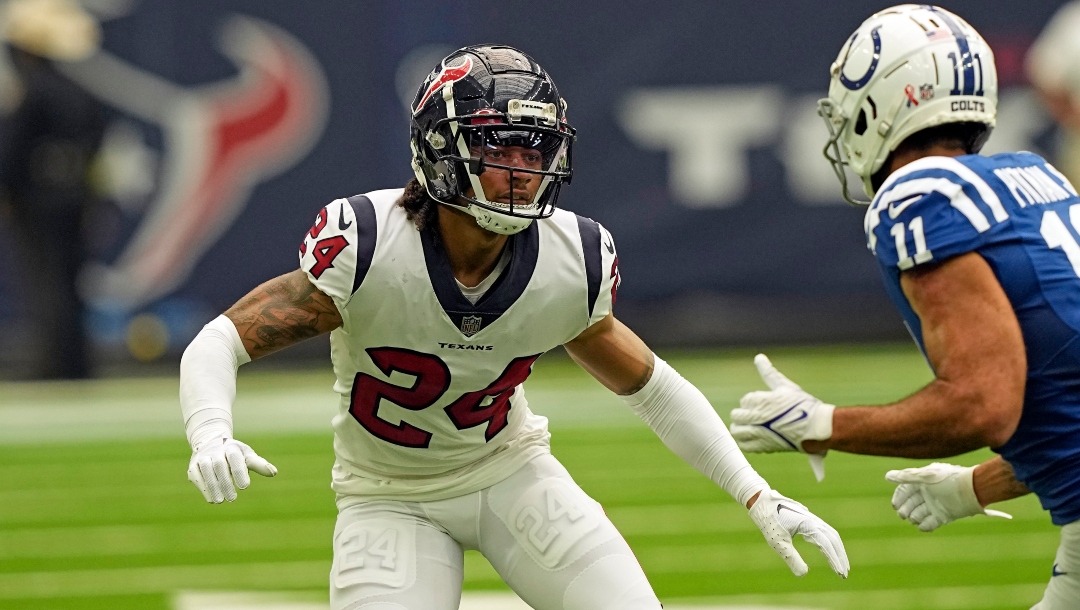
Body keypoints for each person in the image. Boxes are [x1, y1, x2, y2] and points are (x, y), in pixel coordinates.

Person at [178, 45, 849, 609]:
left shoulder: (569, 260)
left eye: (536, 152)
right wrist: (210, 431)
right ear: (441, 149)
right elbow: (221, 339)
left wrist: (756, 493)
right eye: (501, 148)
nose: (523, 172)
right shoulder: (369, 245)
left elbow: (653, 388)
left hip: (511, 473)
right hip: (387, 498)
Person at [728, 5, 1080, 609]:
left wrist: (820, 424)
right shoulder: (1036, 178)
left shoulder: (917, 196)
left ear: (883, 102)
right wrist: (975, 487)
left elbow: (984, 405)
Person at [0, 0, 105, 379]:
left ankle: (54, 365)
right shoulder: (79, 92)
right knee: (70, 281)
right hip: (75, 195)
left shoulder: (31, 93)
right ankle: (77, 363)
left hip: (38, 198)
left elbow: (11, 150)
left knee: (47, 282)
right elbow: (97, 145)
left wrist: (7, 191)